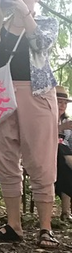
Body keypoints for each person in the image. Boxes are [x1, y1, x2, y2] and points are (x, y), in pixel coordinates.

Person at [0, 0, 59, 248]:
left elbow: (40, 43)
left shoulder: (46, 23)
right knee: (5, 157)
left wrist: (25, 13)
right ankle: (13, 225)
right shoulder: (3, 25)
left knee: (40, 159)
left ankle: (46, 228)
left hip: (36, 94)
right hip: (1, 93)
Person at [54, 86, 72, 221]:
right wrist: (60, 128)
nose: (62, 106)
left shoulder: (67, 121)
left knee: (66, 170)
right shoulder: (44, 118)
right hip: (48, 153)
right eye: (59, 102)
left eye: (65, 103)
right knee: (60, 148)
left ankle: (65, 212)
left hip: (63, 159)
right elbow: (42, 136)